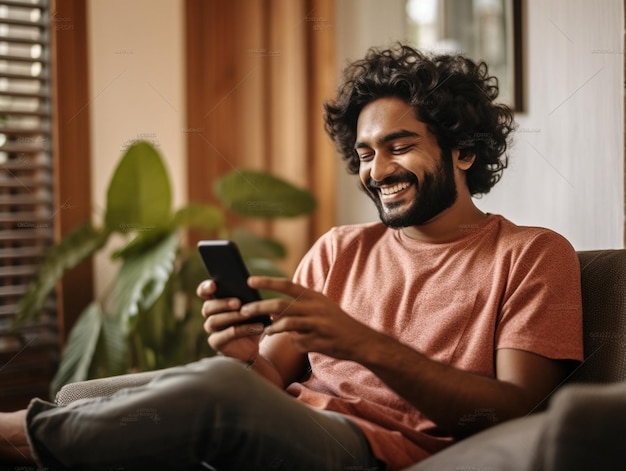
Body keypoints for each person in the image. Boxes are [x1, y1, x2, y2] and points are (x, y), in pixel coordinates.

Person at [0, 43, 583, 471]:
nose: (376, 172)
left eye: (399, 147)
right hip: (285, 425)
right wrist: (244, 354)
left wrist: (360, 343)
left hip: (379, 453)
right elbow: (267, 378)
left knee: (212, 397)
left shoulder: (531, 255)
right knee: (95, 397)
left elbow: (513, 412)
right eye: (364, 154)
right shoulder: (339, 249)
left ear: (462, 151)